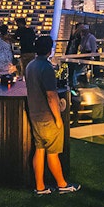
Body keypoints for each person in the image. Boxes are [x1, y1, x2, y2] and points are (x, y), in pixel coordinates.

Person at [24, 35, 81, 195]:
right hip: (48, 118)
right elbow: (51, 96)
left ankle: (40, 186)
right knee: (52, 152)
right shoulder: (46, 67)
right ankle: (62, 185)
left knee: (39, 150)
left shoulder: (30, 66)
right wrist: (58, 119)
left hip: (35, 115)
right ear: (49, 50)